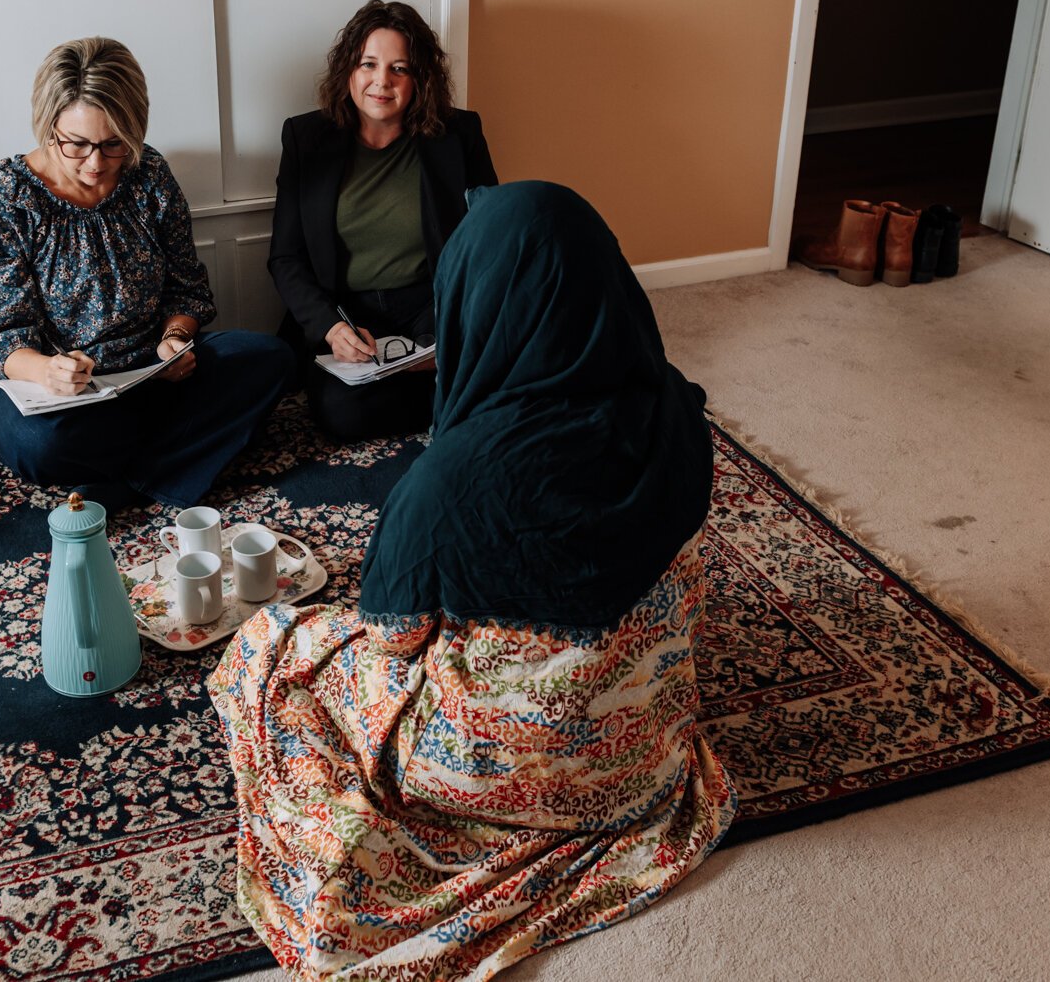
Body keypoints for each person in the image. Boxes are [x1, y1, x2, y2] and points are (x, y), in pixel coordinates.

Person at [209, 182, 737, 980]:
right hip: (642, 768)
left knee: (275, 645)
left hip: (481, 774)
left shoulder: (449, 484)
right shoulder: (677, 412)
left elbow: (392, 640)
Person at [0, 37, 293, 509]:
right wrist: (46, 371)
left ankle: (129, 482)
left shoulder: (149, 173)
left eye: (113, 143)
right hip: (49, 390)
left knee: (269, 358)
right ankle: (178, 455)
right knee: (38, 445)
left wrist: (174, 339)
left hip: (146, 375)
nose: (96, 163)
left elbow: (186, 288)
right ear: (47, 125)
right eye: (76, 144)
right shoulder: (6, 195)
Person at [268, 0, 498, 441]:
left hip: (429, 301)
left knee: (501, 357)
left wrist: (448, 330)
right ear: (347, 71)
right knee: (343, 417)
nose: (381, 82)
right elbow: (286, 257)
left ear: (420, 80)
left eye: (400, 69)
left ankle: (448, 380)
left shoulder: (459, 134)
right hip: (347, 309)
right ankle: (451, 393)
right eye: (368, 64)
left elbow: (489, 238)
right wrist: (332, 329)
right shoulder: (305, 138)